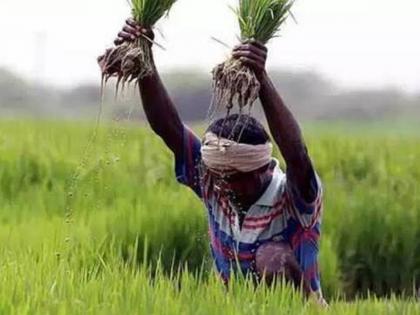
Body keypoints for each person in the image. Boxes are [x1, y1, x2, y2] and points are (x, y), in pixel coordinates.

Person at [107, 19, 326, 304]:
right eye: (218, 175)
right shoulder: (215, 181)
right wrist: (144, 58)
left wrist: (261, 78)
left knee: (270, 257)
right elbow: (169, 128)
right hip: (233, 307)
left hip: (297, 308)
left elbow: (297, 154)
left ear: (262, 170)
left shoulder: (294, 197)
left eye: (234, 177)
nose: (223, 185)